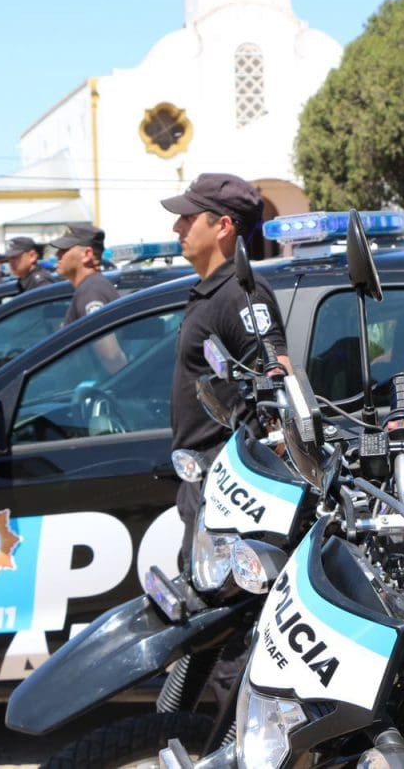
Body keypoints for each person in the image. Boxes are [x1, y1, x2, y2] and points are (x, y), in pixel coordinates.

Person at [161, 173, 289, 563]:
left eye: (188, 217)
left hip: (228, 487)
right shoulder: (213, 290)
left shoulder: (241, 292)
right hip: (203, 479)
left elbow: (277, 385)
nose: (177, 227)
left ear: (223, 226)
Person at [51, 224, 120, 323]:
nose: (57, 254)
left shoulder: (91, 291)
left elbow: (98, 331)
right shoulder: (92, 286)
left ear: (87, 255)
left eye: (64, 249)